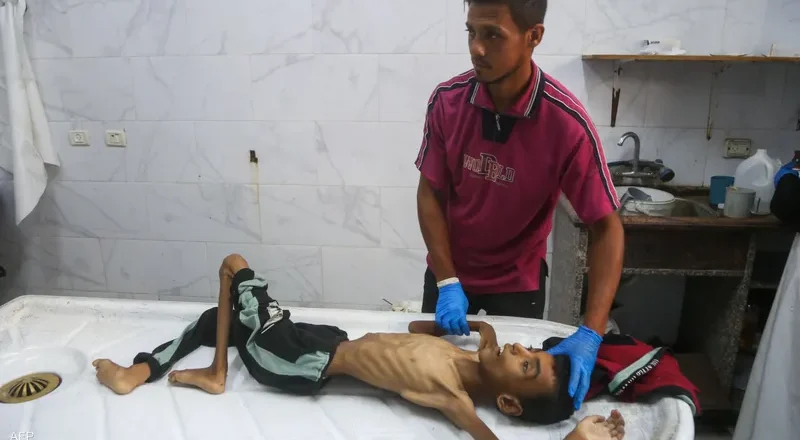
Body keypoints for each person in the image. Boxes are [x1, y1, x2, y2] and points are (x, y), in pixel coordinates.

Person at [92, 254, 626, 440]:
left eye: (526, 366)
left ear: (507, 402)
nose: (520, 351)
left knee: (234, 267)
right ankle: (143, 371)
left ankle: (216, 375)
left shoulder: (452, 395)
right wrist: (467, 329)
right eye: (530, 352)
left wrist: (575, 438)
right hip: (332, 341)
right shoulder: (464, 355)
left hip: (304, 363)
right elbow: (413, 331)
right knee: (218, 318)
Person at [414, 0, 624, 411]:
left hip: (517, 284)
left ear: (534, 37)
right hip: (448, 275)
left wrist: (592, 332)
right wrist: (446, 280)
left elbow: (607, 227)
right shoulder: (448, 102)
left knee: (510, 400)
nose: (477, 48)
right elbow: (430, 193)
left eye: (493, 35)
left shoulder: (566, 124)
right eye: (472, 32)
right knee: (433, 386)